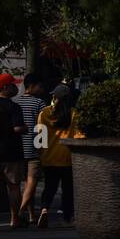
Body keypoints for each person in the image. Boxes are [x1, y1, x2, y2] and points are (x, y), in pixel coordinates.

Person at [37, 85, 81, 227]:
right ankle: (67, 218)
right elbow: (79, 136)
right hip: (68, 157)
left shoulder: (44, 113)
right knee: (68, 190)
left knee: (49, 187)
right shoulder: (74, 114)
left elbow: (39, 137)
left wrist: (40, 155)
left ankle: (44, 209)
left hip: (49, 157)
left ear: (55, 98)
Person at [0, 74, 26, 227]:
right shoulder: (13, 107)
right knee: (13, 186)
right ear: (5, 87)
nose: (15, 87)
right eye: (13, 85)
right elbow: (17, 128)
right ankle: (14, 219)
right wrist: (26, 128)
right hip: (11, 152)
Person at [14, 73, 48, 225]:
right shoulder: (40, 103)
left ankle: (32, 215)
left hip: (17, 147)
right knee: (32, 180)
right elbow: (42, 127)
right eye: (40, 86)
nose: (42, 89)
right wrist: (43, 147)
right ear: (32, 86)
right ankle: (21, 211)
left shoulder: (15, 102)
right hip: (34, 146)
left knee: (25, 183)